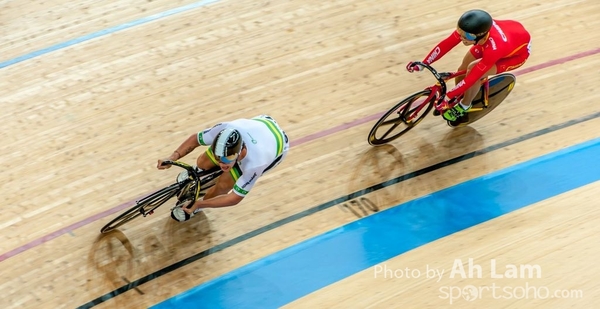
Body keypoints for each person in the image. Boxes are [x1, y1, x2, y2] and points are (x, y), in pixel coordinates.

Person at [406, 9, 531, 124]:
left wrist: (447, 96)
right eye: (460, 32)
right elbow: (446, 44)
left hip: (514, 55)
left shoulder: (494, 48)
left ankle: (465, 105)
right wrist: (424, 63)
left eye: (468, 37)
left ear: (480, 35)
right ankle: (458, 97)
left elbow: (472, 77)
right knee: (463, 68)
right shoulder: (471, 32)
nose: (462, 38)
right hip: (502, 38)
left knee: (473, 69)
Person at [157, 114, 290, 222]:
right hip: (262, 124)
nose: (222, 164)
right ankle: (198, 170)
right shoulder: (225, 129)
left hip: (277, 146)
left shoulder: (255, 163)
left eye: (226, 159)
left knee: (223, 186)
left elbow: (234, 198)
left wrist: (198, 204)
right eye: (218, 157)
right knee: (203, 161)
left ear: (239, 151)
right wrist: (173, 157)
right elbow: (195, 139)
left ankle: (196, 208)